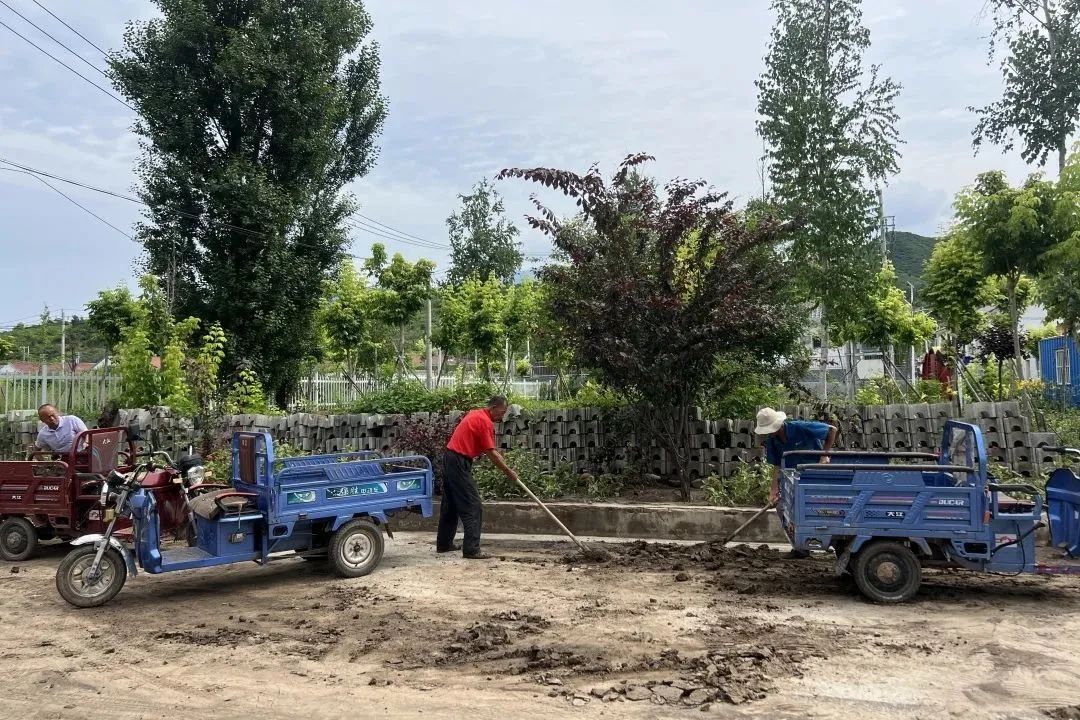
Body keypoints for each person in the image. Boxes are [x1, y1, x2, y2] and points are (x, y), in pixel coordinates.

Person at [437, 395, 519, 560]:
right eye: (501, 412)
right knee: (473, 505)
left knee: (451, 504)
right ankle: (471, 550)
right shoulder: (484, 421)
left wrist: (505, 465)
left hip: (451, 457)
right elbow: (491, 453)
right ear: (493, 407)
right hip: (458, 461)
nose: (502, 416)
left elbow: (490, 449)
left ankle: (444, 544)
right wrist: (508, 471)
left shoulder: (476, 414)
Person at [755, 407, 836, 559]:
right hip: (791, 479)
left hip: (814, 475)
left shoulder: (800, 427)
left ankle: (828, 541)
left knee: (815, 510)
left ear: (779, 424)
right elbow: (777, 466)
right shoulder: (772, 441)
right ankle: (800, 547)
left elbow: (832, 430)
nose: (769, 432)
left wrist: (824, 455)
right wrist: (773, 491)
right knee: (782, 508)